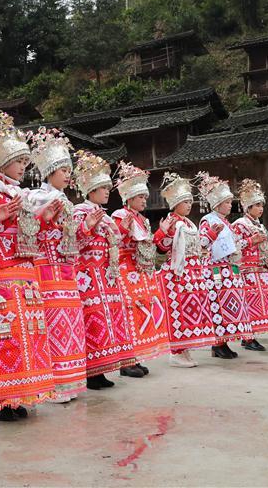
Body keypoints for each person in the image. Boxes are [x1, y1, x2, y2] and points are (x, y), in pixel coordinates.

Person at [0, 110, 56, 419]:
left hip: (24, 271)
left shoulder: (23, 194)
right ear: (2, 161)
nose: (23, 166)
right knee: (2, 336)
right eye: (19, 161)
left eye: (25, 161)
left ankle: (19, 395)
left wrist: (43, 220)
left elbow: (28, 233)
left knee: (27, 335)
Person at [27, 128, 87, 403]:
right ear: (49, 171)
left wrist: (86, 228)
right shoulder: (36, 198)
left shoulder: (66, 201)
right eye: (63, 170)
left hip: (65, 271)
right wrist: (45, 219)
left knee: (70, 325)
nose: (67, 175)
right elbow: (30, 233)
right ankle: (53, 386)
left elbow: (73, 238)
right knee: (52, 325)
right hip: (45, 269)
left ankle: (70, 382)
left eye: (69, 170)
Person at [72, 151, 136, 389]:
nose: (107, 192)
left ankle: (103, 369)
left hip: (107, 275)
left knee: (109, 320)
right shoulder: (80, 211)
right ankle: (91, 372)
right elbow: (73, 243)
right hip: (88, 275)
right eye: (103, 188)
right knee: (94, 320)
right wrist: (87, 226)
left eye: (108, 188)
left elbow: (114, 244)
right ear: (91, 190)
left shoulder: (106, 217)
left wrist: (124, 231)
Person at [111, 161, 170, 375]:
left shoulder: (142, 219)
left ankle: (135, 357)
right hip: (126, 269)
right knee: (130, 311)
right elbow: (115, 241)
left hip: (141, 271)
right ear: (129, 198)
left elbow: (148, 244)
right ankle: (126, 361)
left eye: (145, 197)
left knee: (142, 312)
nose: (145, 200)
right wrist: (122, 230)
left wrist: (161, 233)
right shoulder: (119, 215)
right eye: (140, 197)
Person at [153, 173, 215, 367]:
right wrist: (163, 231)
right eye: (186, 201)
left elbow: (198, 246)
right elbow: (162, 247)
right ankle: (176, 352)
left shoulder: (189, 223)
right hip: (177, 275)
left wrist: (212, 235)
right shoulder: (172, 221)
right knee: (178, 312)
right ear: (176, 203)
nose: (189, 205)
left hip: (192, 273)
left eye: (190, 201)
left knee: (190, 310)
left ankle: (185, 349)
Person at [196, 172, 254, 359]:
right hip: (215, 269)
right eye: (227, 202)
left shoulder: (226, 222)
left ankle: (224, 342)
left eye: (230, 202)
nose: (230, 205)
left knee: (229, 306)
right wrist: (212, 234)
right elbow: (201, 244)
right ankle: (218, 344)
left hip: (229, 268)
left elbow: (235, 244)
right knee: (218, 305)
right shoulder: (208, 220)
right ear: (217, 203)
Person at [230, 179, 268, 351]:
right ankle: (248, 338)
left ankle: (251, 336)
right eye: (257, 205)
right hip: (246, 270)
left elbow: (265, 248)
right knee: (248, 304)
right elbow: (233, 247)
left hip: (260, 269)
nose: (261, 208)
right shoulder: (239, 225)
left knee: (258, 305)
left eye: (261, 205)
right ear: (248, 207)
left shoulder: (259, 225)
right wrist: (251, 240)